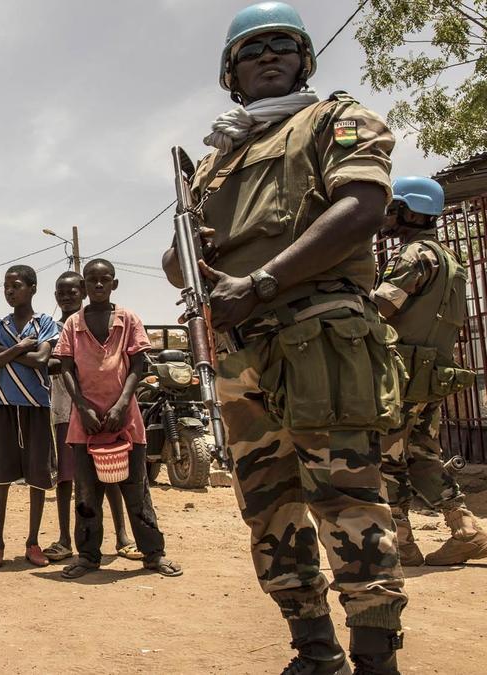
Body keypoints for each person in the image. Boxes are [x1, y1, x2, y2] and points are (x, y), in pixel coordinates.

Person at [160, 4, 406, 671]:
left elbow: (363, 208)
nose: (268, 55)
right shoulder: (214, 163)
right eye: (251, 50)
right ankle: (314, 650)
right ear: (231, 72)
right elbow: (176, 263)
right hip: (243, 353)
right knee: (269, 509)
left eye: (282, 44)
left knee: (347, 499)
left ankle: (377, 656)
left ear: (304, 58)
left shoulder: (333, 119)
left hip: (320, 337)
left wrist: (261, 282)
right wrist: (193, 245)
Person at [373, 176, 487, 567]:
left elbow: (381, 310)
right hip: (430, 376)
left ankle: (402, 544)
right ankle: (466, 530)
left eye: (394, 208)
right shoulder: (451, 261)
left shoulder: (414, 255)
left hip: (400, 377)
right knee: (422, 455)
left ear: (411, 211)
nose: (388, 216)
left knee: (385, 458)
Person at [53, 261, 180, 579]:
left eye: (104, 280)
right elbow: (66, 368)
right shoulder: (73, 324)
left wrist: (122, 403)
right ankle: (88, 556)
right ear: (84, 286)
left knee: (136, 489)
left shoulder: (129, 319)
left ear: (114, 283)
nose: (98, 285)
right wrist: (82, 407)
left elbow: (138, 364)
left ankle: (153, 555)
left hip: (126, 420)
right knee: (86, 492)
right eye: (92, 281)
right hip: (85, 423)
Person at [42, 270, 139, 564]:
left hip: (102, 409)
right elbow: (48, 362)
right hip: (63, 409)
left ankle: (123, 536)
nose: (67, 296)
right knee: (66, 477)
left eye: (72, 291)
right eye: (61, 292)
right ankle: (64, 539)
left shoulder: (103, 322)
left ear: (82, 292)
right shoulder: (52, 327)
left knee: (110, 472)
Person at [0, 264, 59, 568]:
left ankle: (33, 542)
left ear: (33, 288)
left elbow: (42, 360)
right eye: (5, 286)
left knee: (37, 478)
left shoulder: (46, 323)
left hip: (37, 407)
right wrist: (22, 347)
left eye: (16, 285)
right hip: (3, 407)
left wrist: (8, 351)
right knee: (1, 478)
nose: (9, 291)